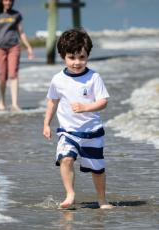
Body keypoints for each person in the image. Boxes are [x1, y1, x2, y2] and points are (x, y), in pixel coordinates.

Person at [43, 28, 113, 210]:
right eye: (72, 57)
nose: (77, 62)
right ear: (62, 56)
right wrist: (46, 124)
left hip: (92, 131)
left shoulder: (93, 77)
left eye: (82, 57)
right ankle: (70, 194)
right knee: (65, 159)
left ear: (87, 55)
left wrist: (85, 108)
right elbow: (52, 102)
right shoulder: (58, 79)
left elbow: (103, 102)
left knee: (97, 169)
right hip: (68, 131)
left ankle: (102, 200)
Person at [0, 0, 33, 111]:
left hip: (14, 46)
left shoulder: (16, 14)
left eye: (10, 1)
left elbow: (21, 32)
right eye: (5, 0)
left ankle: (14, 104)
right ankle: (2, 101)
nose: (8, 2)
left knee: (13, 74)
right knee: (2, 76)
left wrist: (28, 47)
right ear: (1, 1)